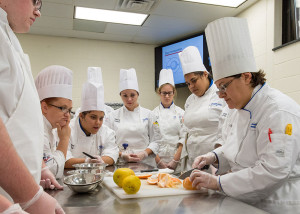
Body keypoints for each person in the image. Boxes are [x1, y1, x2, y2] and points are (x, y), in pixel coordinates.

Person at [191, 17, 300, 205]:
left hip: (276, 203)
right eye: (218, 88)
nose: (221, 95)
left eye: (224, 86)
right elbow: (237, 150)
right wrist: (213, 156)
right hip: (242, 198)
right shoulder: (238, 107)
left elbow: (273, 171)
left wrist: (218, 182)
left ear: (247, 77)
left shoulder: (277, 111)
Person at [0, 0, 64, 213]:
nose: (38, 11)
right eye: (34, 0)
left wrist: (41, 167)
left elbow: (16, 121)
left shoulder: (8, 37)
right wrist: (31, 198)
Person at [178, 46, 226, 170]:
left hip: (215, 161)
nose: (191, 87)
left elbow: (227, 129)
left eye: (194, 81)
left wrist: (217, 157)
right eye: (188, 83)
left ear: (205, 74)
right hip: (192, 160)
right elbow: (186, 130)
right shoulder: (189, 100)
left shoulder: (221, 94)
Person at [65, 67, 119, 168]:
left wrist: (101, 160)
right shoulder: (68, 130)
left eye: (101, 118)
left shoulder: (107, 132)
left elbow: (112, 155)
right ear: (81, 116)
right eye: (93, 117)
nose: (98, 123)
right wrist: (87, 161)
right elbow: (64, 161)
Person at [105, 68, 161, 167]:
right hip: (121, 163)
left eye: (132, 95)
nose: (129, 99)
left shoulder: (149, 115)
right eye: (125, 96)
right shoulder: (112, 116)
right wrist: (122, 155)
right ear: (120, 95)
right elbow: (108, 144)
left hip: (146, 163)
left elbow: (156, 140)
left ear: (138, 94)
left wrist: (144, 153)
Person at [35, 65, 73, 179]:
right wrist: (64, 139)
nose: (67, 115)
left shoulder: (51, 128)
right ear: (44, 107)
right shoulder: (38, 129)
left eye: (70, 110)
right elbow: (52, 171)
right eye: (62, 108)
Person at [152, 69, 185, 172]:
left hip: (177, 163)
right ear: (159, 93)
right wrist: (159, 162)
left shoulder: (181, 113)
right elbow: (150, 140)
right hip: (157, 162)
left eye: (169, 93)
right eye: (164, 93)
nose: (167, 96)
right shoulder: (153, 114)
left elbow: (184, 138)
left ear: (174, 93)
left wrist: (175, 161)